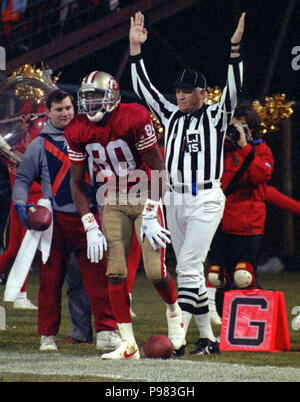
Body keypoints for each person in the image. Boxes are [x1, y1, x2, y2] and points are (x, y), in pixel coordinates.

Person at [129, 11, 244, 355]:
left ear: (202, 92)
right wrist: (135, 49)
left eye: (187, 90)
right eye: (178, 90)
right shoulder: (171, 115)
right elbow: (144, 90)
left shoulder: (215, 115)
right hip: (173, 199)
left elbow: (235, 91)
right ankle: (207, 338)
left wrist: (235, 50)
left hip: (206, 196)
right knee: (187, 267)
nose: (179, 95)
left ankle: (194, 331)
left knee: (192, 266)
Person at [65, 70, 185, 360]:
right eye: (86, 97)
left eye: (96, 97)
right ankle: (128, 343)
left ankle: (174, 312)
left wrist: (151, 211)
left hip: (145, 192)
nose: (90, 104)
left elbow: (158, 169)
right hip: (112, 199)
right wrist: (89, 223)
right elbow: (76, 182)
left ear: (113, 97)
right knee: (115, 272)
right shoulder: (77, 129)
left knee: (156, 272)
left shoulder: (133, 116)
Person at [12, 89, 120, 351]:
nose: (65, 113)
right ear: (48, 112)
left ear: (75, 108)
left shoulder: (90, 136)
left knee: (97, 277)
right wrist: (21, 206)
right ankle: (47, 335)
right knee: (51, 280)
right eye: (59, 109)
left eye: (69, 108)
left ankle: (106, 330)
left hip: (88, 219)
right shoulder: (39, 143)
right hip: (56, 222)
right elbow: (24, 179)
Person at [207, 104, 274, 317]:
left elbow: (258, 176)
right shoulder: (219, 152)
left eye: (239, 126)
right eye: (231, 126)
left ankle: (257, 317)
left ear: (251, 129)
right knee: (217, 277)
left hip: (248, 224)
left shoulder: (262, 151)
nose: (233, 131)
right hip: (220, 222)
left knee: (243, 275)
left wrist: (244, 146)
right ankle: (227, 324)